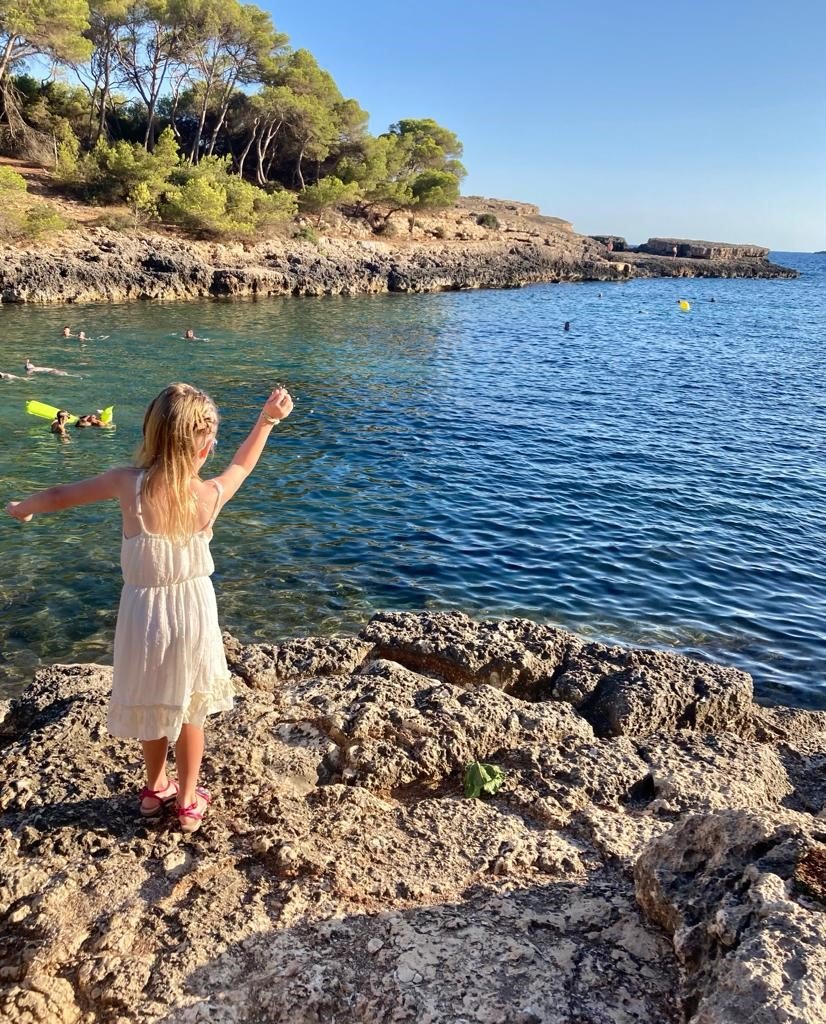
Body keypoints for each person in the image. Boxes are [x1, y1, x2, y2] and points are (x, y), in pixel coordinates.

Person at [6, 381, 294, 833]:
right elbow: (243, 463)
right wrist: (267, 421)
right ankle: (187, 800)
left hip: (143, 614)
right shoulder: (209, 495)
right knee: (191, 707)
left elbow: (62, 494)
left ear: (152, 434)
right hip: (194, 614)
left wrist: (25, 507)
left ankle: (153, 788)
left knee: (149, 703)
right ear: (204, 447)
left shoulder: (128, 484)